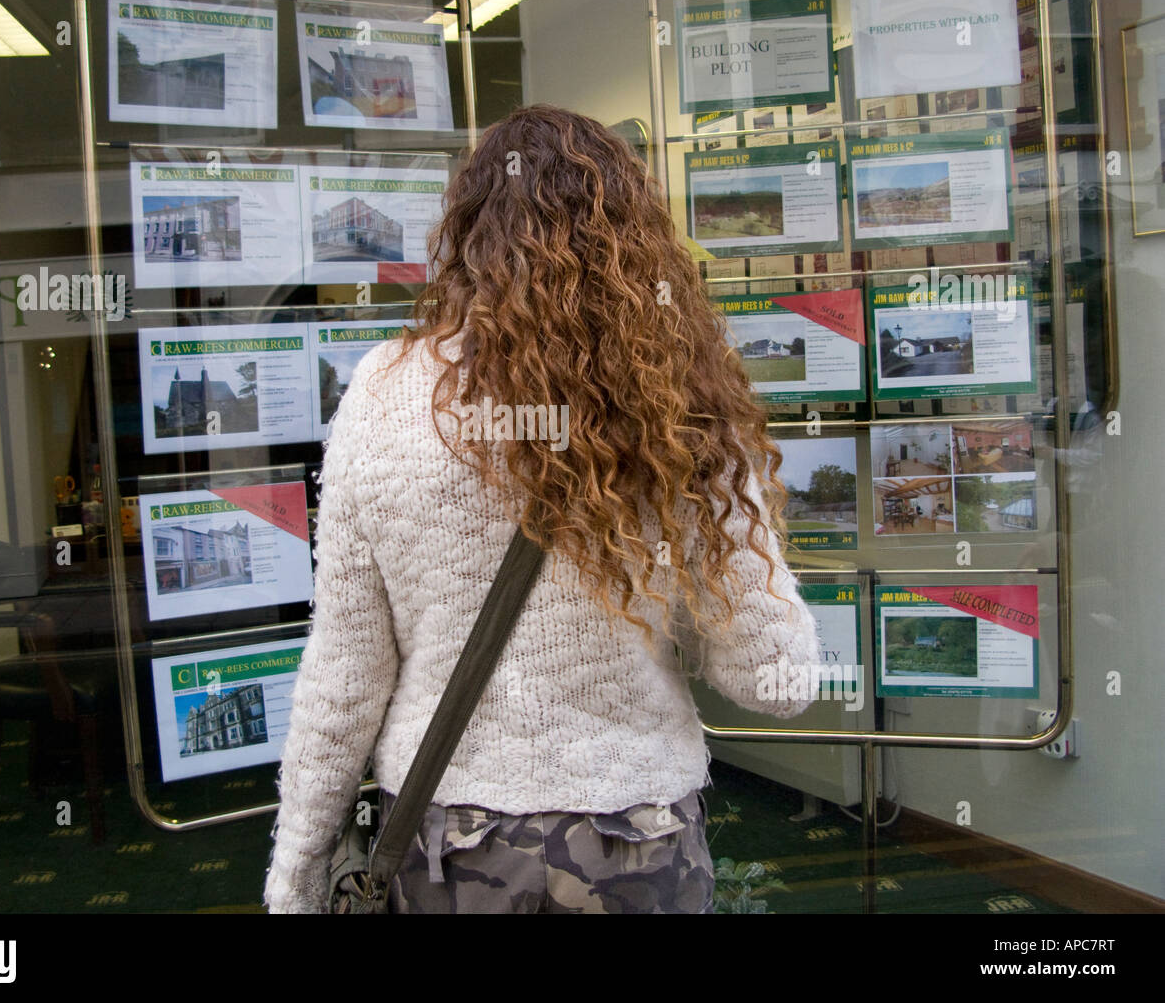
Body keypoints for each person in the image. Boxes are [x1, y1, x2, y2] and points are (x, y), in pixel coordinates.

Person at [264, 104, 822, 914]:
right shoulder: (680, 401)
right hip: (633, 845)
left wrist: (299, 873)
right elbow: (774, 679)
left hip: (449, 849)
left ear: (466, 233)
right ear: (638, 240)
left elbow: (345, 670)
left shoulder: (383, 394)